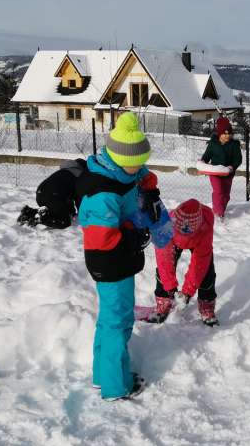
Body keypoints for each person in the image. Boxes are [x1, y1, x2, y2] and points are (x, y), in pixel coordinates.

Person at [77, 112, 160, 401]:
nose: (138, 168)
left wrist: (149, 187)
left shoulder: (119, 167)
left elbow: (142, 174)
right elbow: (102, 238)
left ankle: (102, 375)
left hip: (117, 258)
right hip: (109, 261)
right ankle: (116, 386)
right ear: (119, 158)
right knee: (119, 321)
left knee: (109, 318)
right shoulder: (103, 193)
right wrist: (134, 236)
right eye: (134, 164)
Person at [144, 198, 219, 327]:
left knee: (206, 271)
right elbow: (164, 262)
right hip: (173, 240)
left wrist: (187, 292)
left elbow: (199, 265)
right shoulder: (166, 227)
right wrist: (171, 289)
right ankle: (164, 300)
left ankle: (206, 304)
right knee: (164, 271)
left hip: (198, 239)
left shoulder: (205, 227)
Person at [17, 158, 87, 229]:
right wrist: (82, 215)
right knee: (64, 222)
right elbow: (79, 196)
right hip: (53, 196)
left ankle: (29, 212)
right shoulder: (79, 174)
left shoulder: (65, 171)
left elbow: (68, 194)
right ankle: (38, 219)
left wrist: (72, 212)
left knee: (55, 213)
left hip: (40, 193)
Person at [201, 116, 242, 218]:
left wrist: (232, 167)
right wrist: (202, 163)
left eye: (229, 134)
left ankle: (220, 209)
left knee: (225, 195)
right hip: (215, 172)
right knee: (218, 191)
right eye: (224, 133)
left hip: (228, 173)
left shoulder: (234, 145)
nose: (227, 136)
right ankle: (218, 214)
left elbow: (238, 159)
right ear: (219, 133)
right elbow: (206, 156)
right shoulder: (213, 144)